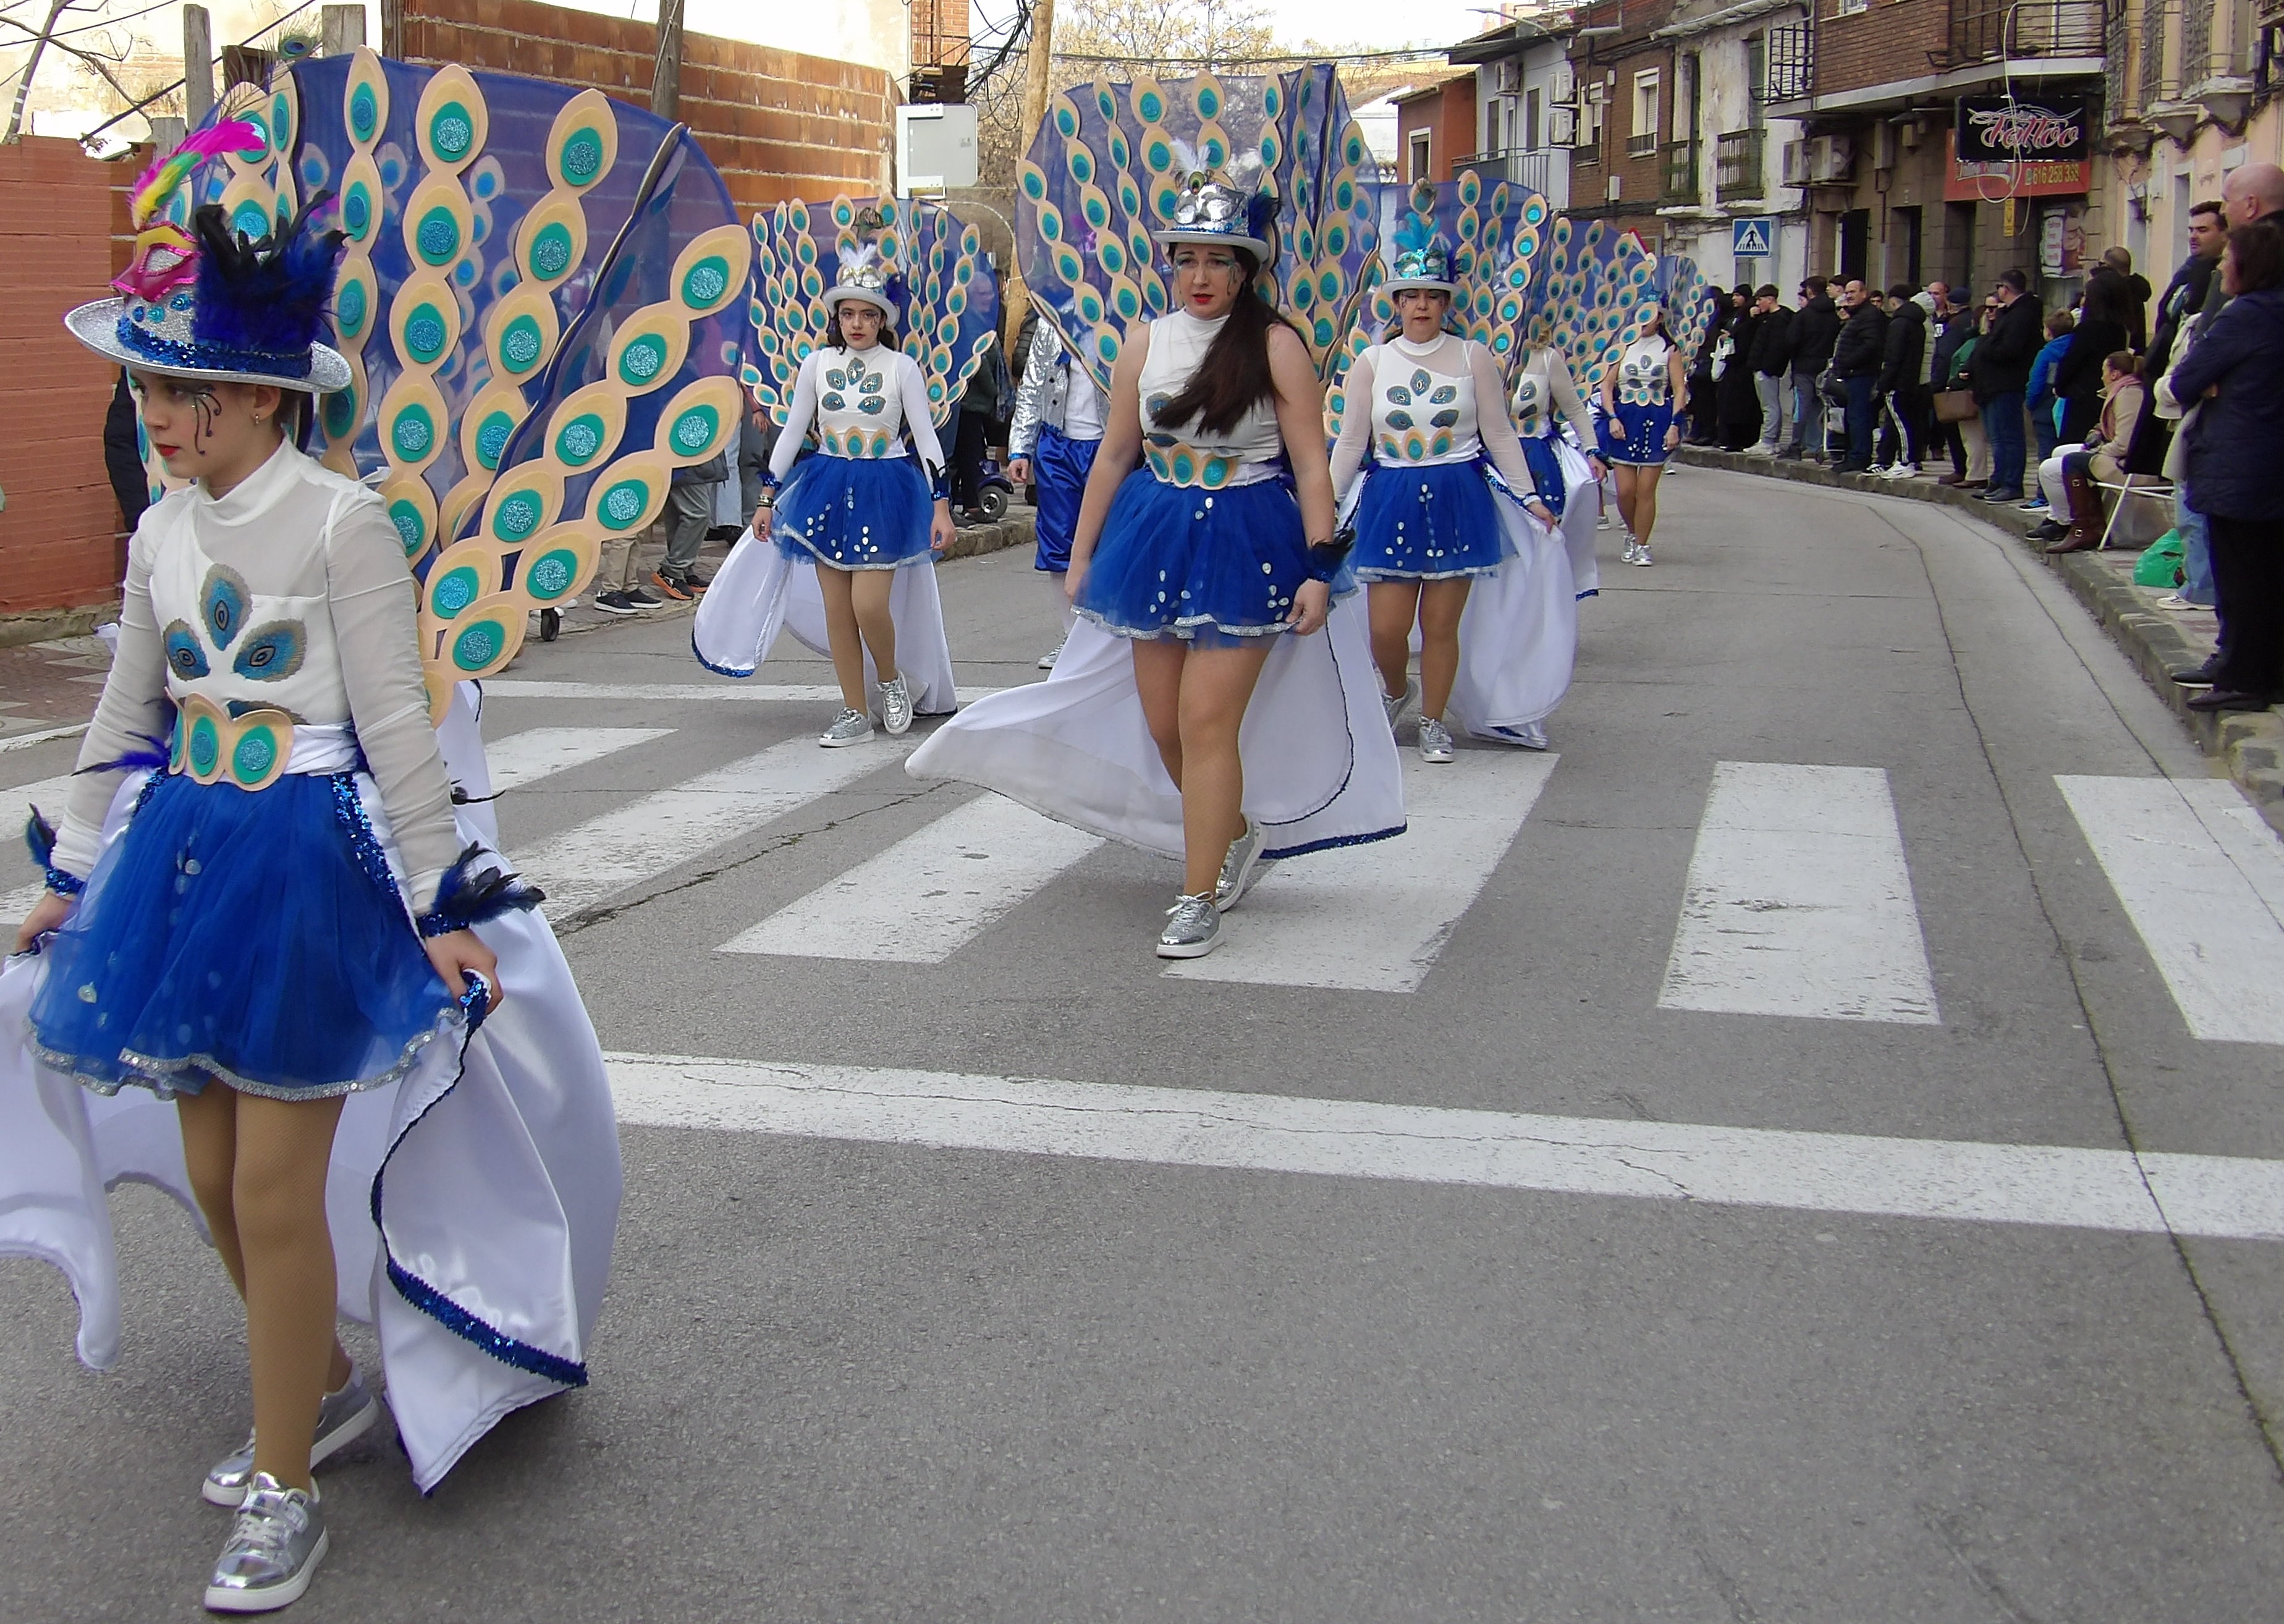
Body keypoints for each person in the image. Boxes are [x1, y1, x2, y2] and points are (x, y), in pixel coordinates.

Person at [12, 130, 618, 1612]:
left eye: (183, 389)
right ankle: (324, 1378)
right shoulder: (161, 527)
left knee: (277, 1190)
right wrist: (72, 866)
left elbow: (401, 728)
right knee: (218, 1176)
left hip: (309, 872)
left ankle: (286, 1484)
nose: (158, 413)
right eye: (147, 388)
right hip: (186, 858)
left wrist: (442, 904)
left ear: (263, 393)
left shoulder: (342, 524)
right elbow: (124, 712)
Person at [907, 168, 1404, 958]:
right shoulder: (1146, 341)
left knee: (1208, 724)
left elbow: (1313, 465)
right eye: (1188, 260)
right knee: (1165, 723)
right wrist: (1081, 555)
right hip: (1154, 535)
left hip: (1249, 543)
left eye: (1219, 261)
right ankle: (1233, 831)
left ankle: (1197, 891)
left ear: (1247, 269)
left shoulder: (1277, 347)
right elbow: (1113, 455)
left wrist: (1319, 564)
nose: (1201, 277)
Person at [1329, 229, 1573, 759]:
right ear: (1395, 302)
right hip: (1390, 496)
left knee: (1441, 626)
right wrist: (1325, 502)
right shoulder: (1371, 362)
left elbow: (1500, 433)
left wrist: (1529, 497)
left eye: (1432, 295)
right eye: (1411, 295)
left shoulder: (1472, 356)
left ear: (1445, 302)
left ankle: (1433, 721)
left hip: (1457, 496)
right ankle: (1397, 691)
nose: (1421, 305)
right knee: (1387, 629)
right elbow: (1351, 441)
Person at [744, 248, 957, 746]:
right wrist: (767, 497)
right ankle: (854, 712)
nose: (856, 323)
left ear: (882, 320)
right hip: (827, 487)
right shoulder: (816, 363)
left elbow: (925, 438)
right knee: (836, 609)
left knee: (867, 604)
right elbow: (794, 432)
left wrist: (941, 504)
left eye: (866, 314)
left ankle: (889, 678)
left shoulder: (902, 367)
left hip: (886, 488)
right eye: (847, 313)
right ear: (835, 318)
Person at [2168, 218, 2284, 712]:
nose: (2220, 269)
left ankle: (2242, 677)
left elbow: (2184, 381)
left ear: (2247, 265)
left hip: (2241, 463)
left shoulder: (2246, 315)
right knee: (2267, 575)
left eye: (2227, 260)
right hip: (2269, 463)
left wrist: (2212, 383)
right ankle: (2259, 671)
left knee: (2240, 578)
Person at [2134, 200, 2227, 610]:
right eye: (2191, 229)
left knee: (2194, 503)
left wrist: (2182, 383)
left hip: (2198, 404)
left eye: (2204, 229)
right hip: (2179, 398)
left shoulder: (2221, 282)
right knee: (2187, 497)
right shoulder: (2193, 275)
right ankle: (2199, 584)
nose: (2193, 236)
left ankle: (2202, 588)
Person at [1006, 318, 1108, 669]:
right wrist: (1020, 448)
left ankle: (1107, 640)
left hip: (1110, 447)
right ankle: (1072, 637)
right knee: (1058, 542)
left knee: (1107, 543)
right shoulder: (1051, 324)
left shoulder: (1127, 319)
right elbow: (1033, 388)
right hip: (1057, 447)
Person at [1510, 331, 1608, 598]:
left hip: (1536, 460)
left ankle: (1545, 625)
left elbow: (1574, 408)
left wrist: (1592, 451)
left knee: (1541, 545)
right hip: (1487, 464)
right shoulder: (1474, 351)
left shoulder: (1545, 358)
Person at [1599, 301, 1689, 566]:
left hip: (1656, 419)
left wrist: (1674, 424)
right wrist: (1612, 417)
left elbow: (1679, 389)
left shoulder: (1669, 350)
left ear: (1660, 319)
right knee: (1625, 491)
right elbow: (1606, 385)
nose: (1645, 321)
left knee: (1646, 491)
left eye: (1651, 316)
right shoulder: (1622, 346)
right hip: (1626, 420)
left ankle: (1642, 543)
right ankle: (1631, 531)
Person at [2034, 351, 2146, 553]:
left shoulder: (2129, 394)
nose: (2101, 376)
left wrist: (2097, 450)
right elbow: (2109, 427)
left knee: (2053, 468)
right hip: (2118, 454)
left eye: (2104, 371)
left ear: (2115, 374)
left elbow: (2125, 443)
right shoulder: (2120, 390)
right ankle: (2062, 519)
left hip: (2128, 462)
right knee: (2060, 452)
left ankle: (2079, 527)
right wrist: (2095, 433)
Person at [1968, 269, 2043, 501]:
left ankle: (2011, 483)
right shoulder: (2010, 313)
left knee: (2009, 436)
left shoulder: (2022, 314)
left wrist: (1987, 348)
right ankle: (1998, 479)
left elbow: (2010, 349)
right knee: (1997, 437)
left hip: (2007, 383)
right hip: (1992, 384)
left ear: (2006, 289)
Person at [2052, 272, 2130, 446]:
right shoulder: (2121, 330)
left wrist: (2061, 387)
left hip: (2083, 399)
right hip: (2108, 394)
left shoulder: (2088, 330)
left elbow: (2071, 362)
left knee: (2072, 449)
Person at [650, 447, 725, 601]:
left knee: (679, 514)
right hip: (682, 449)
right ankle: (673, 569)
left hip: (688, 452)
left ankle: (683, 570)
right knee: (698, 513)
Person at [1830, 279, 1887, 472]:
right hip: (1852, 374)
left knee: (1859, 417)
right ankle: (1851, 454)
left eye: (1854, 292)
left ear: (1865, 294)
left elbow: (1871, 345)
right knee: (1851, 416)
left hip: (1862, 374)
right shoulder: (1857, 316)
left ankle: (1859, 456)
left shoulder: (1869, 316)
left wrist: (1848, 362)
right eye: (1847, 292)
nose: (1850, 296)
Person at [1873, 283, 1927, 478]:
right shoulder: (1918, 323)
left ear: (1894, 301)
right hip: (1912, 380)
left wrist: (1884, 384)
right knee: (1909, 422)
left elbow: (1893, 357)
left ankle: (1906, 461)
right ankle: (1911, 460)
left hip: (1899, 382)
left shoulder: (1899, 324)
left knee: (1901, 423)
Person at [1783, 275, 1840, 460]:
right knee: (1819, 406)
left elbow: (1791, 341)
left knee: (1802, 406)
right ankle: (1817, 445)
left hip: (1804, 366)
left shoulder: (1804, 315)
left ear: (1810, 291)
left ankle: (1796, 445)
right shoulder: (1833, 315)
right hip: (1824, 366)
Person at [2024, 307, 2076, 478]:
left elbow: (2036, 382)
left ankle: (2044, 494)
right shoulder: (2076, 348)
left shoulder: (2046, 353)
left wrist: (2031, 404)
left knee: (2046, 453)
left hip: (2046, 408)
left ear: (2049, 331)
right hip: (2070, 406)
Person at [1743, 285, 1793, 456]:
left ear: (1770, 299)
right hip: (1762, 366)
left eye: (1760, 300)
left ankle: (1768, 440)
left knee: (1769, 405)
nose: (1758, 304)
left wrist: (1767, 368)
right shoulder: (1766, 318)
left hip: (1767, 369)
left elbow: (1777, 346)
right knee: (1768, 404)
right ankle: (1770, 439)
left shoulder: (1779, 319)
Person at [1715, 285, 1766, 451]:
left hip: (1742, 367)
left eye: (1738, 295)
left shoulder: (1749, 317)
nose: (1734, 299)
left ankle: (1741, 439)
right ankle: (1731, 438)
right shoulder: (1737, 316)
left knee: (1742, 407)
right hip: (1734, 365)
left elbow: (1745, 339)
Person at [2100, 245, 2153, 353]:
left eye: (2102, 264)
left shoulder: (2109, 291)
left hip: (2112, 356)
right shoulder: (2137, 289)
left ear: (2108, 266)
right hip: (2134, 354)